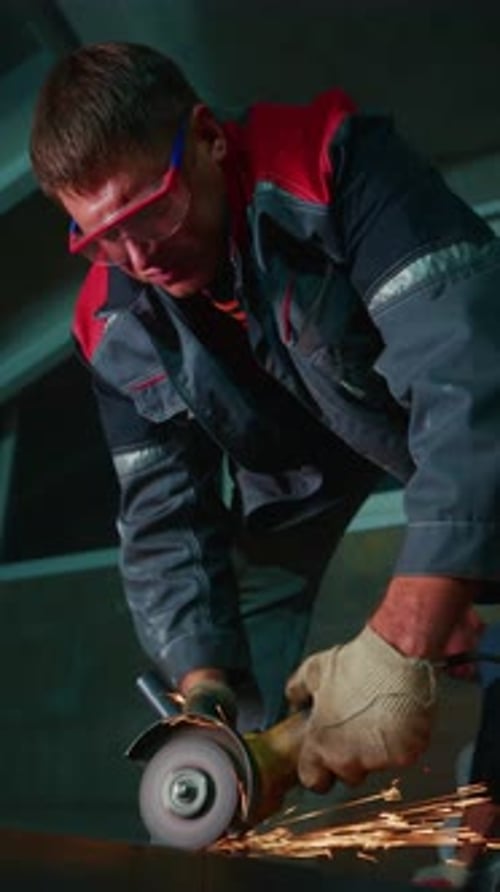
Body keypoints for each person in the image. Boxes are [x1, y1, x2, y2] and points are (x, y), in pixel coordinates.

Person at [30, 41, 500, 794]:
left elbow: (467, 378)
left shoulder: (334, 165)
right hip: (290, 475)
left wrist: (404, 631)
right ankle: (239, 784)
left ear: (210, 138)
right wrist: (203, 684)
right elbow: (164, 520)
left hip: (417, 415)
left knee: (474, 518)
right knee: (229, 664)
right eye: (99, 239)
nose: (137, 256)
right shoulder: (110, 321)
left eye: (149, 212)